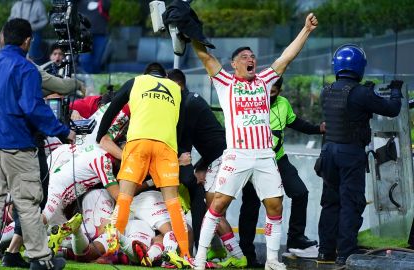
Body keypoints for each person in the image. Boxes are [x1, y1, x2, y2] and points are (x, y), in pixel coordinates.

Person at [191, 13, 318, 270]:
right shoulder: (225, 82)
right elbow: (206, 57)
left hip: (265, 155)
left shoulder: (264, 81)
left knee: (275, 205)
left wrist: (306, 30)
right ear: (234, 64)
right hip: (237, 155)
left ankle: (272, 260)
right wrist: (191, 33)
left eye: (253, 57)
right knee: (217, 204)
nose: (251, 60)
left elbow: (286, 57)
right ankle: (200, 258)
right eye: (245, 58)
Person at [0, 18, 75, 269]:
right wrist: (62, 131)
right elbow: (33, 108)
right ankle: (40, 259)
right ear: (28, 41)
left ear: (3, 38)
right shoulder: (26, 69)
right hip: (16, 144)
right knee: (26, 201)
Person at [96, 62, 192, 265]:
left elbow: (113, 108)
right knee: (172, 203)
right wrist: (177, 148)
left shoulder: (136, 82)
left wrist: (100, 134)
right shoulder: (175, 88)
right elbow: (181, 122)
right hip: (166, 146)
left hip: (138, 143)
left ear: (146, 74)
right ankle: (186, 255)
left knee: (124, 199)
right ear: (164, 76)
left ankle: (113, 250)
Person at [317, 44, 403, 265]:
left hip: (328, 153)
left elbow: (344, 112)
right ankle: (346, 253)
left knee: (330, 203)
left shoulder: (325, 91)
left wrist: (368, 93)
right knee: (351, 204)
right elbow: (392, 109)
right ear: (359, 67)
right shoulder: (361, 93)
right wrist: (395, 90)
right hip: (350, 154)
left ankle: (325, 251)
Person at [239, 76, 325, 266]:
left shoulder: (283, 104)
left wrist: (318, 129)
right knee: (251, 206)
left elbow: (296, 123)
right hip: (254, 163)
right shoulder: (249, 103)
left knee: (300, 193)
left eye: (274, 92)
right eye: (266, 91)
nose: (269, 95)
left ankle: (296, 238)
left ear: (279, 91)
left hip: (278, 160)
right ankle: (247, 254)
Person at [167, 69, 249, 268]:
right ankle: (219, 250)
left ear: (177, 86)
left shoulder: (186, 104)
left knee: (214, 211)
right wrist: (201, 165)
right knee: (213, 209)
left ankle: (238, 257)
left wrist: (198, 165)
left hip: (221, 157)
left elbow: (186, 141)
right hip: (220, 156)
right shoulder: (191, 101)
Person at [9, 0, 48, 65]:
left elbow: (45, 20)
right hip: (18, 33)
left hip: (33, 32)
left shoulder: (38, 4)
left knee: (33, 51)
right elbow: (10, 19)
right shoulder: (17, 5)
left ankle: (37, 67)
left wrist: (33, 26)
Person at [78, 0, 110, 74]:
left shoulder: (103, 2)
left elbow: (107, 5)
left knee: (97, 62)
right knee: (84, 60)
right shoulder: (80, 2)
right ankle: (88, 80)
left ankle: (94, 82)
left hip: (100, 35)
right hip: (84, 35)